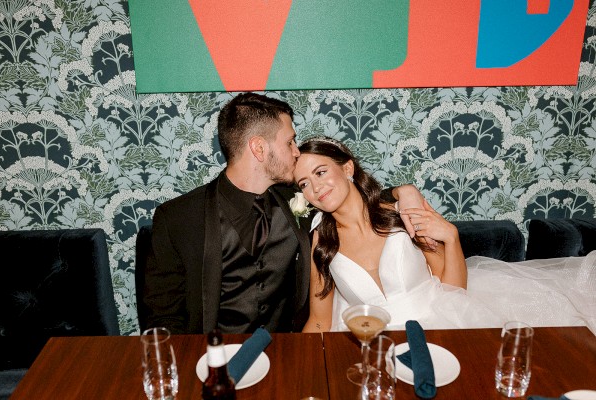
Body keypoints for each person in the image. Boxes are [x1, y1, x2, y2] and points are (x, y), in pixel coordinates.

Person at [142, 93, 426, 334]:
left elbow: (348, 196)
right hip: (214, 360)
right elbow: (163, 317)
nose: (296, 152)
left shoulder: (298, 200)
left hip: (287, 351)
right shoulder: (178, 218)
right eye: (290, 141)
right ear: (259, 148)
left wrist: (403, 191)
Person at [295, 137, 595, 333]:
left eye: (320, 172)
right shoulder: (321, 242)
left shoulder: (403, 214)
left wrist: (451, 237)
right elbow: (320, 320)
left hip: (439, 325)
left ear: (347, 167)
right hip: (371, 340)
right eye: (304, 184)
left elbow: (453, 290)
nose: (315, 188)